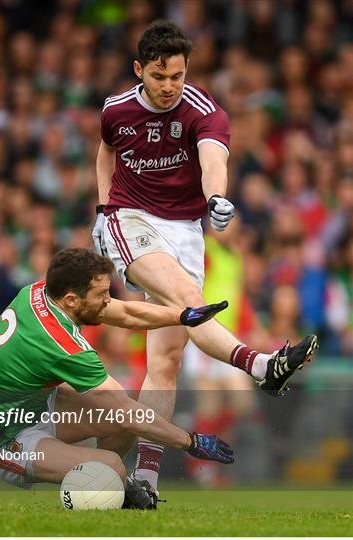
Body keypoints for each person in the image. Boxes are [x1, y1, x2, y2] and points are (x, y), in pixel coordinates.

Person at [91, 19, 318, 493]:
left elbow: (215, 159)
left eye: (177, 75)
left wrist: (217, 197)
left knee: (168, 360)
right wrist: (101, 206)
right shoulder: (115, 110)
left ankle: (146, 480)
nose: (169, 86)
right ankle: (260, 365)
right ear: (139, 70)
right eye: (158, 76)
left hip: (186, 230)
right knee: (187, 298)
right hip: (131, 219)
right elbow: (106, 152)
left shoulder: (204, 110)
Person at [0, 248, 233, 509]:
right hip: (0, 439)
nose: (108, 300)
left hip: (33, 408)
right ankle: (105, 484)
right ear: (72, 299)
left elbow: (125, 313)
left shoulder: (39, 291)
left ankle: (101, 483)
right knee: (113, 461)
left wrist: (182, 316)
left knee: (119, 421)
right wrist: (190, 442)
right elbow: (128, 413)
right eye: (101, 294)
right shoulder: (62, 346)